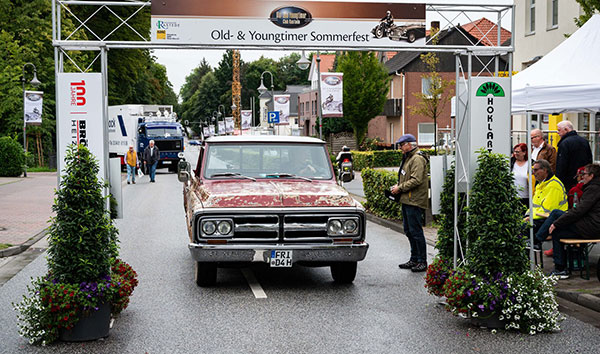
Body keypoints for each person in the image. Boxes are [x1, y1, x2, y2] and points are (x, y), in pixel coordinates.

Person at [535, 164, 600, 279]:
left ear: (591, 175)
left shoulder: (593, 189)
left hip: (592, 226)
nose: (581, 176)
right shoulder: (593, 187)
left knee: (556, 220)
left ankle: (538, 242)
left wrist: (556, 223)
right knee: (557, 222)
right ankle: (559, 267)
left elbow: (579, 211)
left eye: (584, 174)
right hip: (590, 224)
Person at [391, 134, 429, 272]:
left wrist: (399, 188)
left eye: (402, 145)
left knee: (416, 231)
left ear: (409, 144)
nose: (400, 148)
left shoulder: (417, 159)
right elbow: (408, 177)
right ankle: (414, 259)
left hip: (414, 200)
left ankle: (422, 261)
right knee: (409, 230)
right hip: (408, 199)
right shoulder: (409, 158)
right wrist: (398, 186)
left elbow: (416, 180)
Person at [523, 159, 568, 242]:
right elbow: (533, 206)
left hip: (551, 219)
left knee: (522, 229)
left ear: (545, 170)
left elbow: (547, 211)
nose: (533, 173)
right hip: (539, 217)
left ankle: (533, 245)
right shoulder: (541, 184)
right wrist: (526, 216)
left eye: (536, 170)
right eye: (533, 170)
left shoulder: (554, 186)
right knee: (519, 226)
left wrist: (530, 218)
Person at [555, 120, 592, 191]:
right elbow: (590, 159)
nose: (557, 132)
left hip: (568, 181)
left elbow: (561, 165)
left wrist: (558, 181)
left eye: (559, 130)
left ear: (566, 130)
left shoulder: (564, 143)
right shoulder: (584, 141)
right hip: (583, 177)